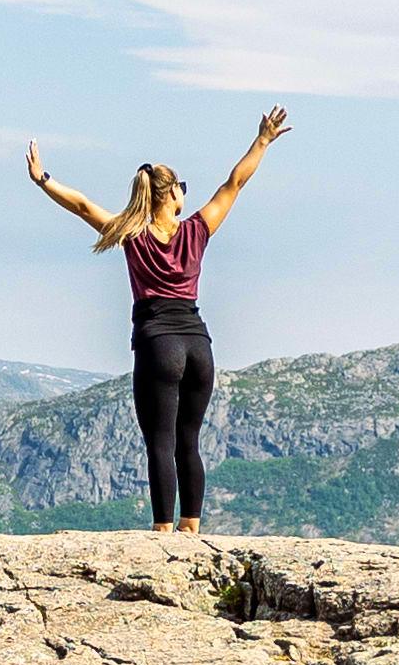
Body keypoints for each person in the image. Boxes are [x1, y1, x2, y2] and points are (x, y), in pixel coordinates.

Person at [25, 108, 289, 533]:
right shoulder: (197, 229)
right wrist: (262, 141)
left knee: (160, 443)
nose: (186, 195)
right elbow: (235, 182)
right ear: (172, 196)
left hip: (158, 345)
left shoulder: (131, 234)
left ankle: (163, 530)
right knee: (189, 442)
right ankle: (191, 528)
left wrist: (43, 179)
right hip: (199, 346)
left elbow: (82, 206)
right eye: (183, 188)